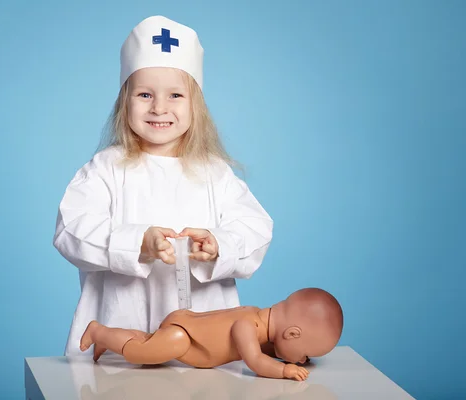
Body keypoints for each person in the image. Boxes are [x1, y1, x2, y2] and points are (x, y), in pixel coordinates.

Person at [53, 15, 274, 357]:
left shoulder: (214, 174)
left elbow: (256, 230)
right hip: (120, 328)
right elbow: (70, 229)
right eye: (144, 94)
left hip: (205, 342)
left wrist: (220, 246)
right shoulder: (105, 169)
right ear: (124, 101)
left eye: (175, 95)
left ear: (195, 105)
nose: (159, 107)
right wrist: (137, 243)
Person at [79, 288, 344, 381]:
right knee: (142, 353)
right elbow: (255, 361)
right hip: (184, 338)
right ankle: (99, 332)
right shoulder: (247, 325)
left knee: (148, 340)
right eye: (305, 354)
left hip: (183, 328)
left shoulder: (259, 319)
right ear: (292, 333)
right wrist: (284, 372)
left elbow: (270, 350)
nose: (301, 361)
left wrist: (288, 360)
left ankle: (110, 335)